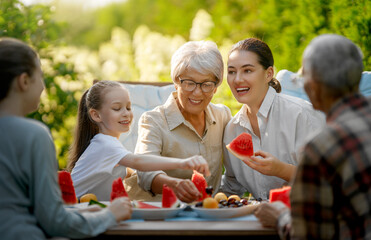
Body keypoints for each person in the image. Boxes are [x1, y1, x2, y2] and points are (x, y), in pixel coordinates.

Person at [0, 37, 132, 239]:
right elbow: (55, 222)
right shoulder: (34, 135)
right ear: (24, 81)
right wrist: (110, 215)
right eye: (40, 77)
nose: (43, 86)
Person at [254, 34, 371, 239]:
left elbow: (309, 235)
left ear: (313, 86)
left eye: (302, 78)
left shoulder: (321, 149)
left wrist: (281, 216)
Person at [68, 80, 210, 201]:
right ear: (96, 115)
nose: (126, 113)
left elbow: (130, 169)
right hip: (73, 209)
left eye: (129, 107)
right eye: (117, 108)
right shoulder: (105, 144)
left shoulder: (108, 145)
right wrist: (183, 163)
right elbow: (138, 162)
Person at [222, 38, 325, 200]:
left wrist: (281, 170)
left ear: (269, 73)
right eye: (231, 71)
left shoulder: (301, 114)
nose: (237, 79)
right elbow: (232, 185)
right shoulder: (231, 130)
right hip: (260, 219)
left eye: (247, 70)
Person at [132, 40, 232, 203]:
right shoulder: (153, 121)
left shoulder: (223, 115)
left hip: (209, 213)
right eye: (189, 83)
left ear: (216, 87)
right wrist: (174, 185)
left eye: (206, 84)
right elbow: (145, 172)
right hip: (163, 215)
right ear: (176, 82)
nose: (197, 93)